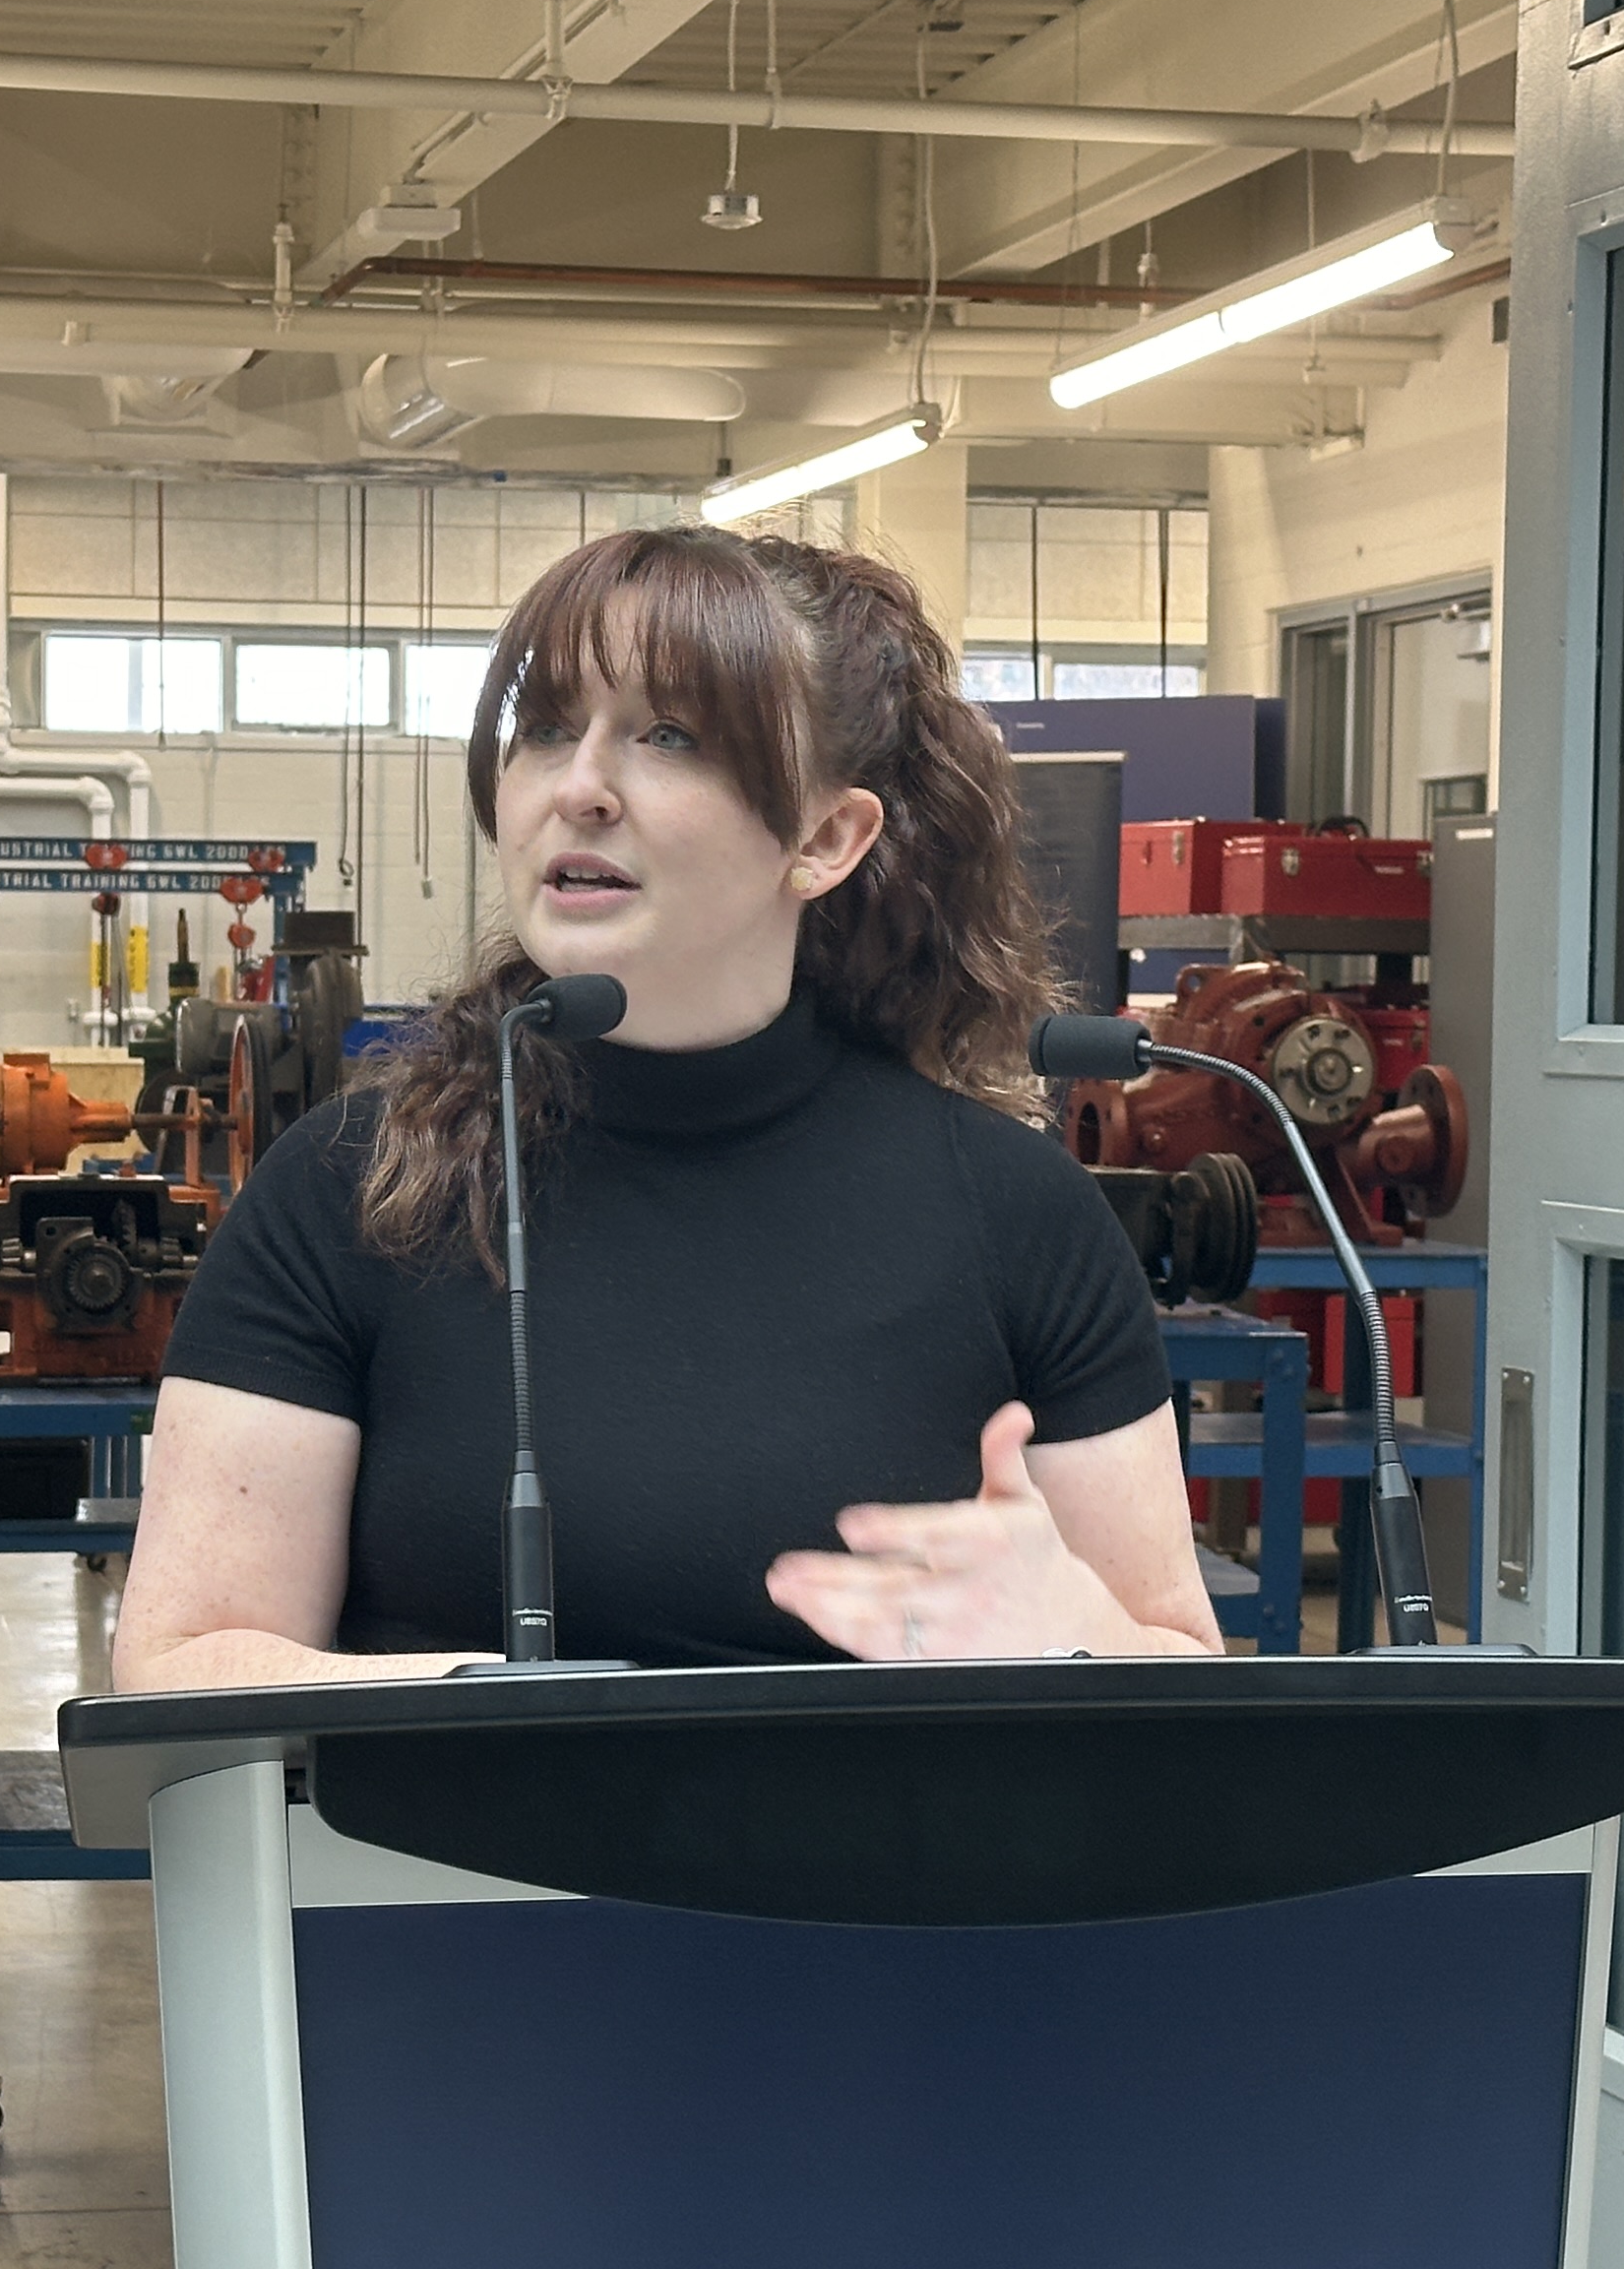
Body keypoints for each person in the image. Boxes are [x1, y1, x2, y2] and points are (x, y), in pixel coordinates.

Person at [110, 522, 1219, 1687]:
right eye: (545, 728)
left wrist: (1064, 1634)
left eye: (671, 737)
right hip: (442, 1867)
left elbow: (1183, 1663)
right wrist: (496, 1711)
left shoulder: (1016, 1215)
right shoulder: (350, 1192)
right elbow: (183, 1656)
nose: (579, 787)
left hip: (885, 1869)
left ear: (826, 838)